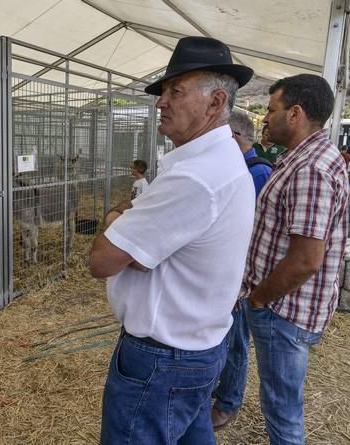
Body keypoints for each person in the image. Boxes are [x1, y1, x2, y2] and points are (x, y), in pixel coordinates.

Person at [89, 36, 255, 445]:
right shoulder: (224, 159)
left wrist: (116, 216)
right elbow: (147, 254)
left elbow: (102, 260)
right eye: (163, 92)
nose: (161, 103)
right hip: (200, 347)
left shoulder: (193, 177)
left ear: (216, 103)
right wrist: (141, 247)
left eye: (175, 92)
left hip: (162, 359)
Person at [244, 74, 348, 445]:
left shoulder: (309, 169)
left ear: (295, 113)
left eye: (272, 110)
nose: (265, 118)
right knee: (281, 401)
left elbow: (305, 259)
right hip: (286, 306)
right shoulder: (308, 155)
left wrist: (259, 298)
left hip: (283, 310)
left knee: (282, 409)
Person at [210, 110, 272, 430]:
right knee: (227, 334)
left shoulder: (256, 172)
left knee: (236, 339)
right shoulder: (245, 169)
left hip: (244, 275)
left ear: (235, 137)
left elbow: (250, 230)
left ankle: (228, 401)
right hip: (234, 270)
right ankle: (222, 391)